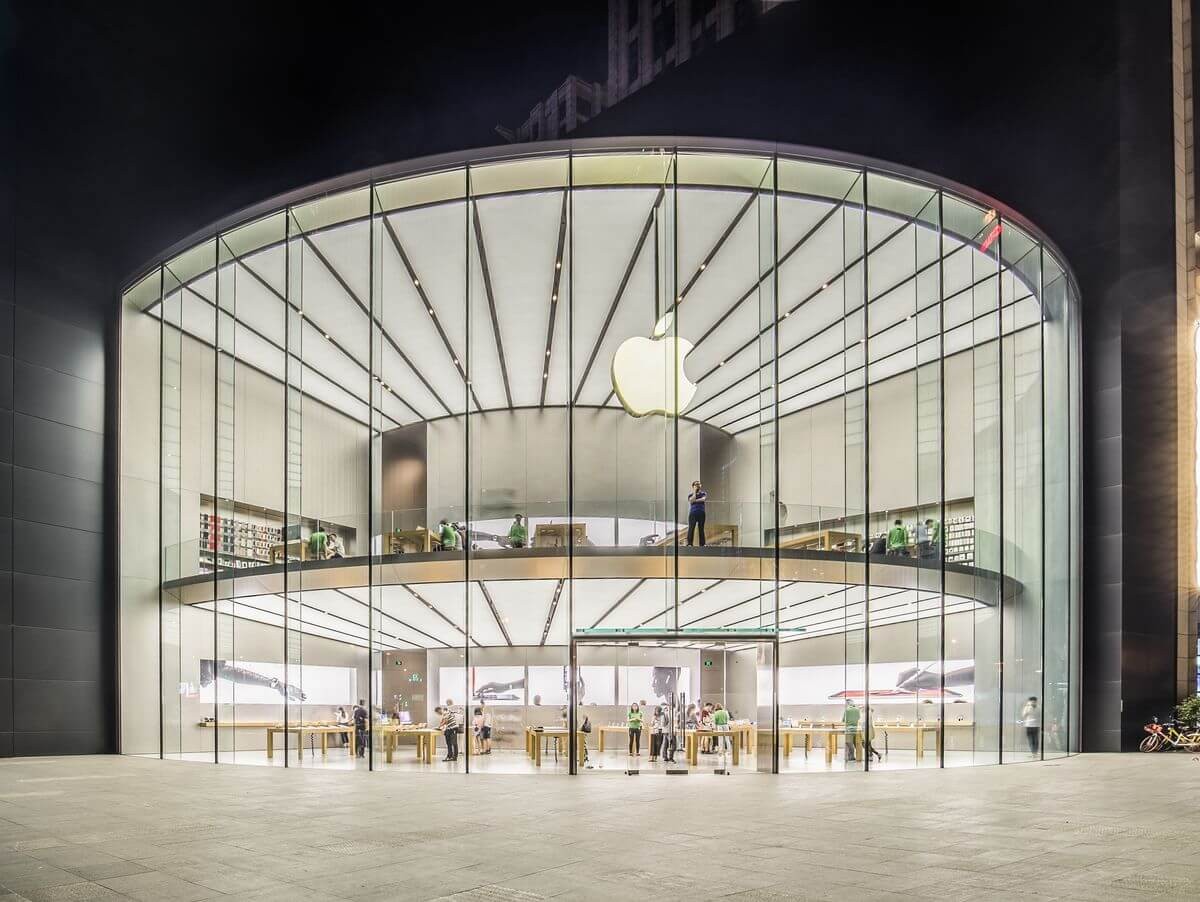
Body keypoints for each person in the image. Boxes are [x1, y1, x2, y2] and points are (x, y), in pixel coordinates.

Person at [686, 480, 708, 547]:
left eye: (699, 484)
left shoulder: (703, 493)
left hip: (701, 512)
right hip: (693, 513)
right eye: (696, 484)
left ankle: (702, 544)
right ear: (693, 486)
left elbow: (703, 499)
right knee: (691, 528)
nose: (698, 485)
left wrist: (694, 501)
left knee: (701, 528)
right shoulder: (690, 495)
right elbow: (691, 500)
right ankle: (689, 543)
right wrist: (694, 492)